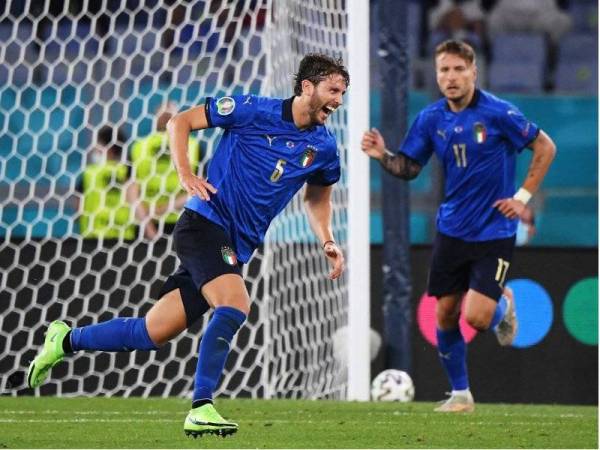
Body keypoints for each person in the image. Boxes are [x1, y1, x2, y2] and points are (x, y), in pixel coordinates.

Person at [27, 53, 349, 437]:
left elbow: (318, 198)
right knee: (235, 303)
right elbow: (182, 121)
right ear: (307, 87)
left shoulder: (324, 148)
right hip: (204, 224)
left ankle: (64, 340)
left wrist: (327, 239)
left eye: (343, 92)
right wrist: (184, 173)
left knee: (151, 332)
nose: (339, 100)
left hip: (235, 243)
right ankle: (201, 406)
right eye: (333, 90)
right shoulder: (250, 109)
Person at [361, 40, 556, 412]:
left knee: (477, 318)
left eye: (457, 69)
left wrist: (523, 197)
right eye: (443, 70)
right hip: (451, 230)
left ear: (473, 72)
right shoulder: (431, 119)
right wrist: (381, 155)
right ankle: (461, 395)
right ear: (436, 75)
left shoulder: (500, 113)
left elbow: (545, 146)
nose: (450, 77)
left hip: (494, 231)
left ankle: (504, 306)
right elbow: (408, 168)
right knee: (446, 315)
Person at [127, 102, 200, 239]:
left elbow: (201, 187)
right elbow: (131, 191)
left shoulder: (194, 145)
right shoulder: (138, 147)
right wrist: (149, 227)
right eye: (164, 116)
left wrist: (164, 208)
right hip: (147, 224)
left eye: (169, 115)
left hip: (181, 221)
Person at [78, 125, 136, 240]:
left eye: (98, 143)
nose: (94, 148)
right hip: (124, 237)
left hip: (92, 237)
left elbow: (79, 206)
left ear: (109, 147)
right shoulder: (127, 171)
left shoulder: (89, 173)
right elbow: (136, 203)